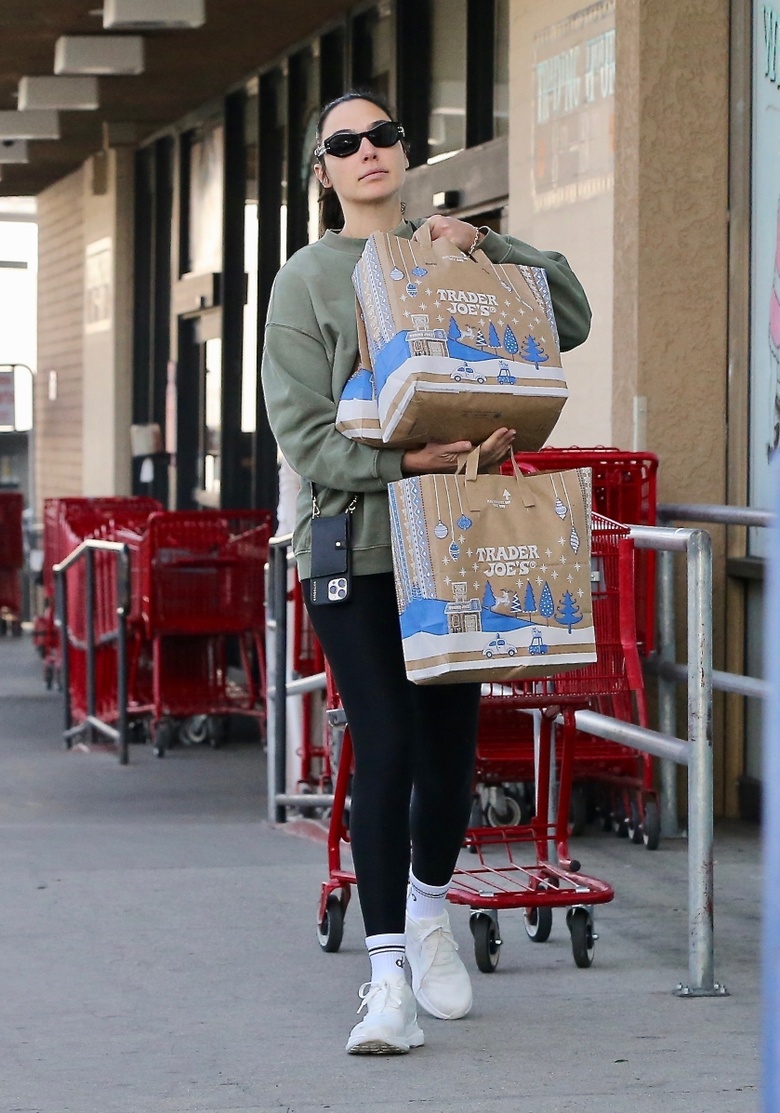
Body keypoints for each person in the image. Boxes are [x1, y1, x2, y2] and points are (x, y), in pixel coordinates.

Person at [261, 90, 591, 1056]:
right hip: (355, 546)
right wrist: (406, 461)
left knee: (449, 758)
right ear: (323, 174)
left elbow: (565, 316)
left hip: (455, 539)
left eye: (383, 136)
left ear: (406, 151)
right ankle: (388, 975)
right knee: (389, 743)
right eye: (344, 144)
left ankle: (431, 910)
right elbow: (304, 434)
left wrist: (486, 245)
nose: (368, 151)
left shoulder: (450, 251)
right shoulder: (305, 283)